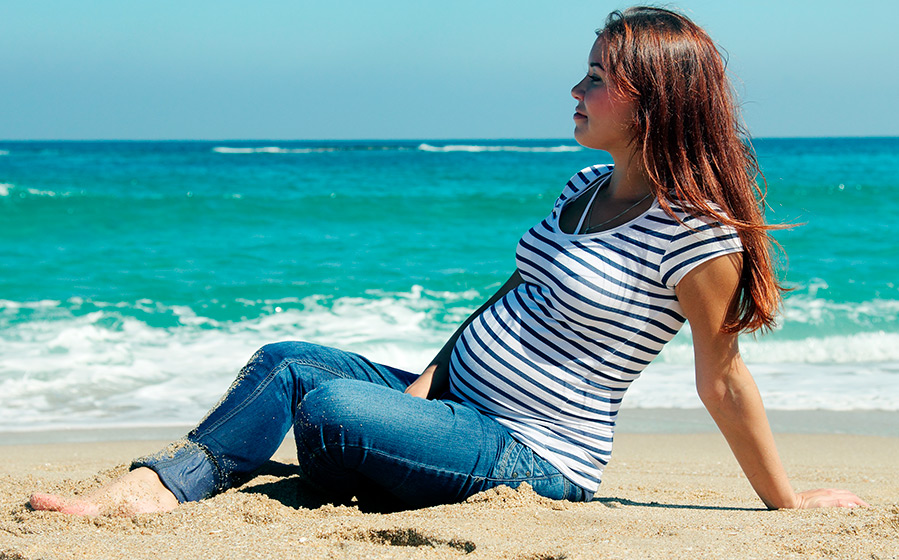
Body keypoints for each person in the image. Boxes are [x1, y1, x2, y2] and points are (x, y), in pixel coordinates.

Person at [30, 6, 866, 516]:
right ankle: (158, 487)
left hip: (531, 452)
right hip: (451, 406)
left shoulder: (697, 234)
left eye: (595, 80)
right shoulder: (582, 184)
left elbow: (722, 379)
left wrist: (785, 503)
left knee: (330, 411)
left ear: (652, 101)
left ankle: (320, 461)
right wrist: (425, 384)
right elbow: (503, 300)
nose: (574, 92)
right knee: (287, 363)